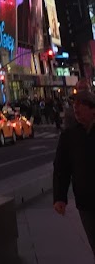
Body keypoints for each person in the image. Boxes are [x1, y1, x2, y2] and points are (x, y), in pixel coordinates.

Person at [53, 89, 95, 255]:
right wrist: (59, 197)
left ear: (93, 109)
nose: (76, 108)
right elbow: (61, 168)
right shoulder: (70, 136)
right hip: (86, 202)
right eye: (74, 104)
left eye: (81, 104)